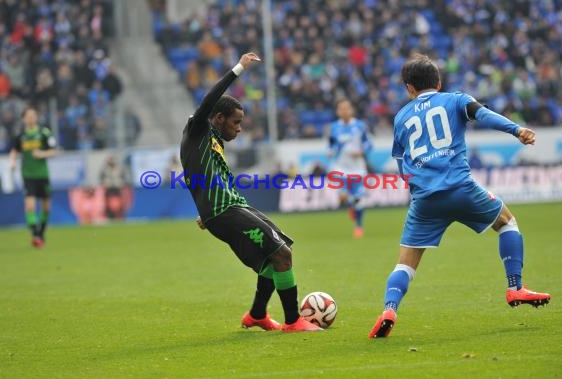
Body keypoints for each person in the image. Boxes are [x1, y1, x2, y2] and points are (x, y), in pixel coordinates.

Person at [369, 54, 551, 339]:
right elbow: (484, 114)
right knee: (507, 222)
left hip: (425, 199)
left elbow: (401, 161)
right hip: (460, 187)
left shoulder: (401, 117)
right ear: (438, 82)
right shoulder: (455, 99)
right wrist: (516, 129)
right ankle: (515, 287)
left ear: (409, 88)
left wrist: (414, 189)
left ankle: (389, 309)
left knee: (405, 263)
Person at [180, 52, 321, 332]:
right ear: (218, 118)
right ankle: (293, 321)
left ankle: (257, 315)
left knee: (278, 254)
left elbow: (201, 176)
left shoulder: (212, 141)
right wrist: (238, 69)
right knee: (282, 256)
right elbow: (208, 101)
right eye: (236, 122)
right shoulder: (197, 129)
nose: (240, 128)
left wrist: (204, 211)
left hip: (229, 208)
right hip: (224, 211)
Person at [9, 106, 57, 248]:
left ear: (36, 117)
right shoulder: (21, 136)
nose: (31, 118)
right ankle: (35, 234)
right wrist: (12, 161)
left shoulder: (44, 133)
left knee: (46, 208)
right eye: (28, 116)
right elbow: (14, 151)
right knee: (30, 206)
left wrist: (42, 154)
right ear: (24, 119)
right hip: (28, 175)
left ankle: (41, 233)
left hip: (42, 174)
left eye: (33, 115)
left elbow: (53, 151)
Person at [328, 99, 373, 238]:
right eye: (341, 109)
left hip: (358, 169)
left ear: (351, 110)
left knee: (359, 200)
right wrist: (329, 151)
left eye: (347, 108)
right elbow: (330, 144)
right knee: (342, 197)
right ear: (338, 111)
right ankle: (350, 204)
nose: (344, 111)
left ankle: (358, 227)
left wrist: (361, 152)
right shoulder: (334, 127)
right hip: (340, 168)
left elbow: (369, 144)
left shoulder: (360, 126)